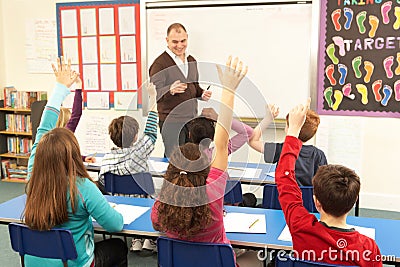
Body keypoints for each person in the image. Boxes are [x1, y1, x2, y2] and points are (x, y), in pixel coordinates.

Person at [24, 57, 127, 266]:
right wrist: (112, 211)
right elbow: (115, 225)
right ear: (73, 154)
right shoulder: (82, 187)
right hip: (73, 263)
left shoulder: (32, 175)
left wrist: (60, 88)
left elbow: (44, 128)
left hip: (34, 263)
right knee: (118, 246)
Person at [151, 56, 247, 264]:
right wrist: (229, 90)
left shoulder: (163, 204)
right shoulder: (211, 191)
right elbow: (221, 145)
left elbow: (156, 224)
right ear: (204, 168)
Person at [275, 99, 381, 266]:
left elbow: (284, 178)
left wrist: (293, 131)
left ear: (316, 201)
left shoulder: (300, 227)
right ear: (352, 203)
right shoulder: (368, 248)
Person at [98, 82, 158, 252]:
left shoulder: (107, 160)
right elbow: (152, 132)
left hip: (118, 204)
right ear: (135, 136)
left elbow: (102, 183)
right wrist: (152, 96)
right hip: (143, 204)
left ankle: (136, 239)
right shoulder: (139, 153)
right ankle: (147, 239)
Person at [149, 22, 212, 157]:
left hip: (191, 120)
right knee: (175, 161)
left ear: (187, 38)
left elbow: (194, 86)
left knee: (192, 160)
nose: (179, 45)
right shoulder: (159, 64)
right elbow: (153, 93)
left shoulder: (191, 60)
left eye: (183, 41)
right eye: (175, 42)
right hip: (171, 122)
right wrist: (169, 89)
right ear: (167, 41)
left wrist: (202, 93)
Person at [249, 105, 327, 186]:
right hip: (307, 199)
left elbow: (252, 140)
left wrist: (268, 119)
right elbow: (324, 185)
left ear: (291, 128)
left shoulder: (282, 149)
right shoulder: (319, 155)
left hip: (281, 198)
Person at [189, 107, 254, 161]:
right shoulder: (218, 153)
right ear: (213, 138)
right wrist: (218, 118)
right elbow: (248, 132)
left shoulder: (181, 155)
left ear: (189, 135)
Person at [55, 77, 95, 163]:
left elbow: (66, 156)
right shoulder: (63, 134)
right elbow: (76, 114)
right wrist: (78, 86)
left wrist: (83, 158)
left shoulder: (46, 136)